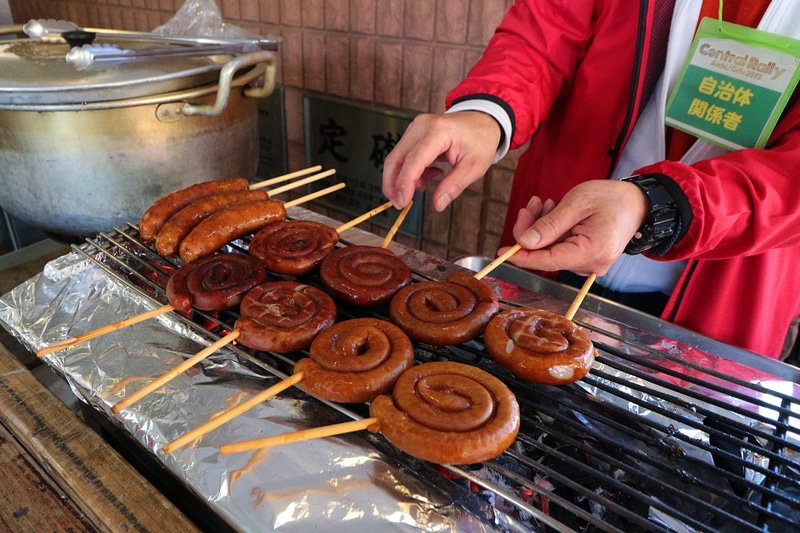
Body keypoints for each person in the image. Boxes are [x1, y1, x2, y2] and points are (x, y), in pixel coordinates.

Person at [381, 0, 800, 361]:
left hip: (724, 302)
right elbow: (546, 33)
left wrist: (657, 206)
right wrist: (486, 112)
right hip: (553, 243)